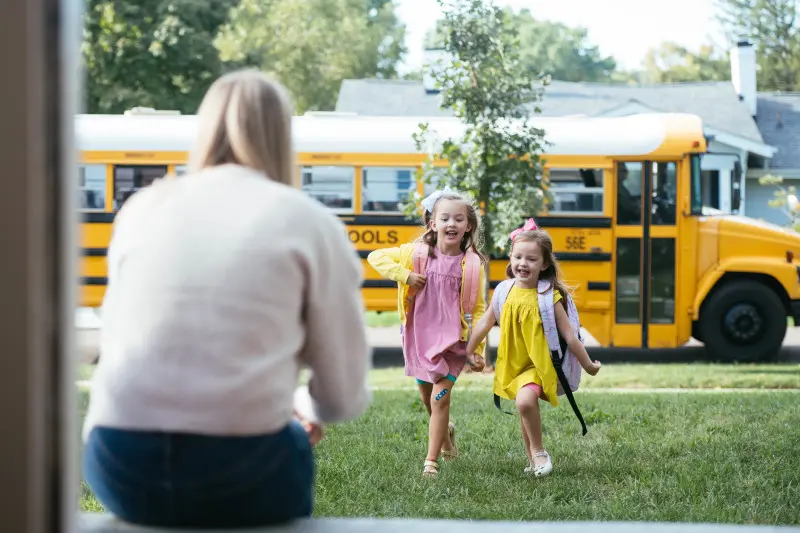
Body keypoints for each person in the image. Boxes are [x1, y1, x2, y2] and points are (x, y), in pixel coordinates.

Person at [81, 69, 372, 528]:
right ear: (282, 135)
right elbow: (342, 399)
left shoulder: (142, 208)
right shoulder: (309, 222)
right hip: (242, 468)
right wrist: (302, 408)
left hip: (117, 461)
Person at [465, 220, 601, 478]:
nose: (522, 263)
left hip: (540, 365)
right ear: (510, 258)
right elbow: (485, 322)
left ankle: (539, 452)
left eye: (531, 259)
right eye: (518, 257)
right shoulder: (504, 291)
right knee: (523, 407)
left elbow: (571, 337)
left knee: (526, 401)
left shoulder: (549, 297)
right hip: (513, 363)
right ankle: (532, 461)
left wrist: (589, 366)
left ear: (544, 264)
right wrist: (470, 350)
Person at [367, 190, 487, 478]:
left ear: (468, 226)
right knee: (428, 401)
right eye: (444, 218)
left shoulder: (471, 265)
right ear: (432, 223)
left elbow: (479, 310)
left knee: (439, 399)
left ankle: (430, 463)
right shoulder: (416, 255)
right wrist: (405, 275)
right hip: (420, 339)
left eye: (459, 218)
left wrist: (478, 349)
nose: (451, 223)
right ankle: (447, 441)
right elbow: (375, 256)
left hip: (454, 345)